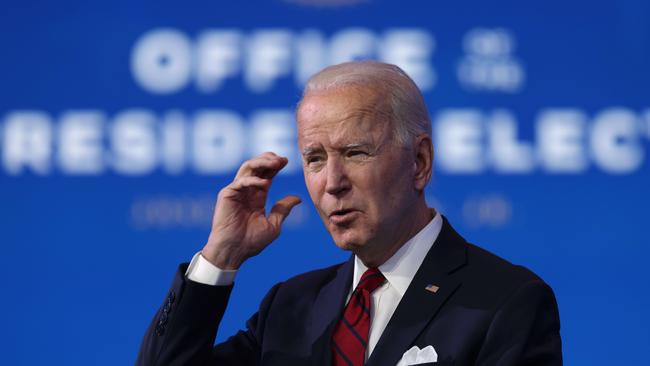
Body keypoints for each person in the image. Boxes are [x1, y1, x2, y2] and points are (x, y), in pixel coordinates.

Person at [136, 61, 562, 365]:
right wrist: (219, 258)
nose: (332, 182)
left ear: (419, 162)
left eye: (355, 153)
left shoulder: (505, 302)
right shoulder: (291, 307)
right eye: (315, 159)